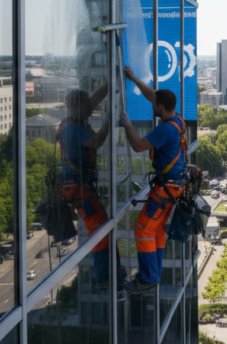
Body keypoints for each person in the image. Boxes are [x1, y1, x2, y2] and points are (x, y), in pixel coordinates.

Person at [120, 66, 188, 292]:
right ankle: (153, 274)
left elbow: (139, 146)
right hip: (174, 187)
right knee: (156, 230)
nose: (152, 106)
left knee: (142, 229)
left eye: (154, 105)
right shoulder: (177, 119)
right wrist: (134, 78)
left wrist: (127, 124)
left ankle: (148, 279)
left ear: (161, 108)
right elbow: (153, 95)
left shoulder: (165, 130)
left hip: (166, 189)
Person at [57, 85, 113, 284]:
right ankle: (103, 277)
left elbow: (92, 99)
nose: (91, 110)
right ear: (77, 107)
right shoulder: (72, 129)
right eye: (87, 107)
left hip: (79, 186)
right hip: (79, 189)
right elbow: (96, 141)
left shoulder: (73, 121)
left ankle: (106, 273)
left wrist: (110, 81)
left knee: (102, 229)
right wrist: (109, 119)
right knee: (101, 232)